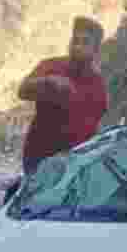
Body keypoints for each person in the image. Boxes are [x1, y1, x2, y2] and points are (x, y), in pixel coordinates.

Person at [16, 16, 109, 177]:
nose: (77, 46)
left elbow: (94, 126)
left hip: (70, 164)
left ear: (95, 50)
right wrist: (47, 82)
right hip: (38, 157)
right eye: (75, 41)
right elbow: (22, 91)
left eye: (84, 42)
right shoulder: (50, 66)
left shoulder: (98, 85)